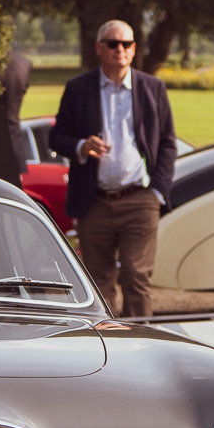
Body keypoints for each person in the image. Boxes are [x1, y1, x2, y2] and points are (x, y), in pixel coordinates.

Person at [49, 21, 177, 318]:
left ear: (134, 49)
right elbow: (56, 137)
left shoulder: (152, 87)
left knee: (137, 276)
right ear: (99, 48)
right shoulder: (78, 88)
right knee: (99, 281)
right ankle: (109, 350)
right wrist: (81, 145)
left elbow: (168, 142)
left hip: (140, 198)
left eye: (127, 44)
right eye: (112, 43)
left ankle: (142, 345)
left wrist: (157, 191)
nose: (120, 49)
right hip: (93, 201)